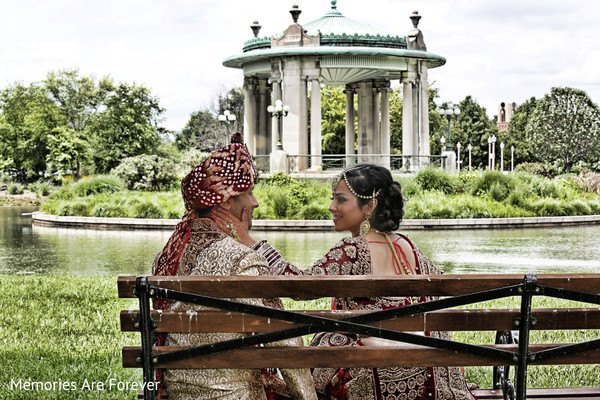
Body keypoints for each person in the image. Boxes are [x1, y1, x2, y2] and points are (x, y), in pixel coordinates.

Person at [215, 164, 477, 400]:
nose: (331, 207)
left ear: (370, 206)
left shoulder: (353, 250)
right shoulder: (408, 246)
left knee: (322, 346)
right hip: (423, 375)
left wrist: (252, 244)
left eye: (341, 200)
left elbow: (297, 286)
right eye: (333, 199)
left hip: (376, 378)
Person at [152, 133, 317, 400]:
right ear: (226, 201)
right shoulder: (243, 258)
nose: (255, 202)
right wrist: (307, 397)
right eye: (248, 193)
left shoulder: (167, 256)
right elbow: (284, 339)